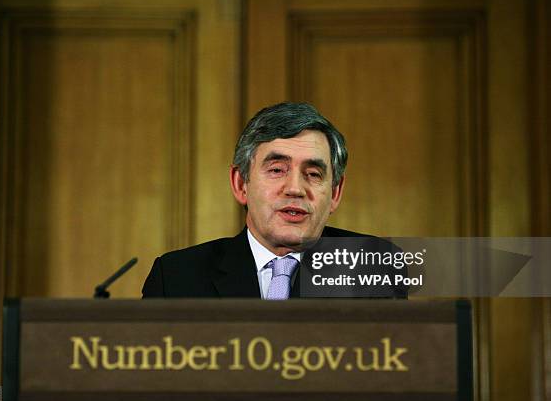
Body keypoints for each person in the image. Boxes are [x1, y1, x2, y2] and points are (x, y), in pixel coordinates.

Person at [142, 102, 404, 299]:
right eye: (277, 170)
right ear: (240, 183)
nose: (294, 189)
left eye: (313, 174)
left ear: (335, 193)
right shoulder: (176, 278)